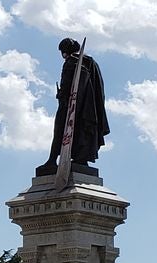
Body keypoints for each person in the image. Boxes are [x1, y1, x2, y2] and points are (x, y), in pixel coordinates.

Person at [38, 37, 109, 175]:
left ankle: (52, 159)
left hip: (69, 106)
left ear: (65, 51)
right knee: (81, 130)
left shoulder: (71, 62)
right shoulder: (91, 63)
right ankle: (81, 158)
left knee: (60, 129)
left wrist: (60, 95)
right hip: (88, 108)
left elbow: (66, 87)